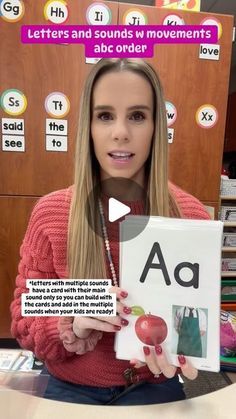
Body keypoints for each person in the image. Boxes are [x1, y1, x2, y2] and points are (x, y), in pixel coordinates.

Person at [10, 58, 210, 405]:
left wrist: (188, 350)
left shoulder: (190, 217)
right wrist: (72, 320)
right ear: (87, 125)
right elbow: (24, 318)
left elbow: (193, 327)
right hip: (68, 384)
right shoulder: (52, 213)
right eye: (104, 115)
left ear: (155, 126)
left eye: (137, 115)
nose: (120, 132)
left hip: (152, 385)